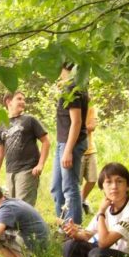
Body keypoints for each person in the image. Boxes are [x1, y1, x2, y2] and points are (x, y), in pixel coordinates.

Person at [0, 90, 50, 206]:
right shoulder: (1, 124)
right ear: (8, 102)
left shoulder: (30, 120)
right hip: (10, 172)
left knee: (23, 207)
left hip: (28, 170)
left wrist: (40, 164)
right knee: (11, 207)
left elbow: (46, 142)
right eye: (19, 99)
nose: (23, 102)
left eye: (24, 99)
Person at [50, 62, 89, 225]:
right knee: (56, 188)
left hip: (70, 144)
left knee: (69, 188)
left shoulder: (72, 88)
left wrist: (67, 150)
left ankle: (74, 231)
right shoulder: (70, 87)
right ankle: (63, 225)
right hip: (63, 144)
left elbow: (77, 121)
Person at [81, 105, 98, 214]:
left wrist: (78, 127)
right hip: (77, 151)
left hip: (90, 149)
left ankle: (82, 200)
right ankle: (77, 205)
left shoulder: (91, 107)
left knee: (92, 179)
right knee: (76, 182)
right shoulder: (71, 106)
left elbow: (92, 126)